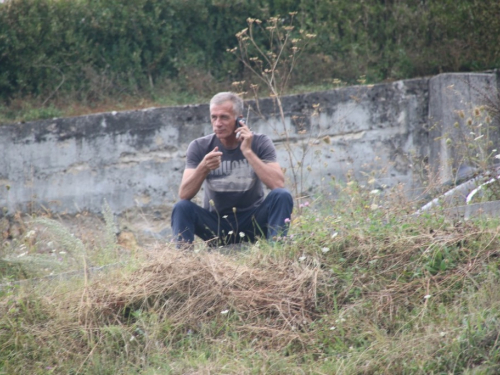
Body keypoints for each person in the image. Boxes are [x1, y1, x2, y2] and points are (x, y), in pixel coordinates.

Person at [171, 92, 293, 247]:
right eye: (214, 117)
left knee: (281, 196)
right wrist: (203, 168)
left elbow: (278, 184)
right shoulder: (200, 146)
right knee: (181, 207)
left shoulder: (260, 142)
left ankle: (277, 254)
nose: (218, 123)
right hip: (216, 225)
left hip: (253, 222)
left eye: (224, 117)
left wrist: (248, 152)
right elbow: (184, 194)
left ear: (239, 119)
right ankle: (183, 264)